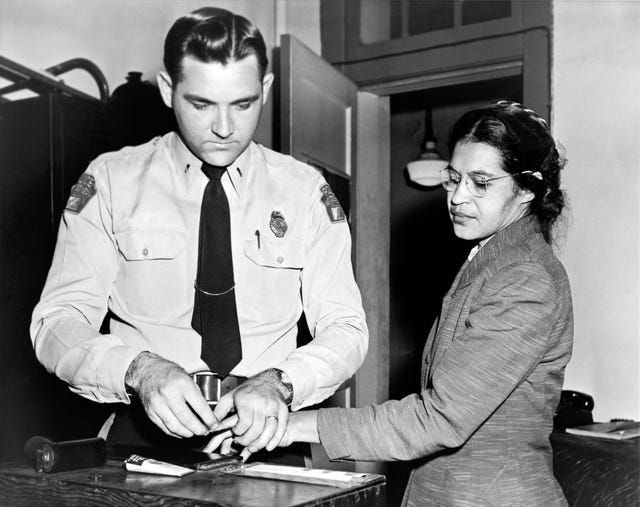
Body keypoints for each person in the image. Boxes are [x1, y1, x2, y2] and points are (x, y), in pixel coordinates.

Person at [30, 7, 367, 453]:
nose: (224, 128)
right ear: (169, 89)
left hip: (265, 439)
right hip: (140, 443)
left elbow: (346, 328)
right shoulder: (112, 181)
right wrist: (139, 369)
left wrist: (282, 382)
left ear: (265, 89)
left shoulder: (304, 191)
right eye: (202, 104)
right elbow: (56, 323)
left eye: (243, 104)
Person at [211, 101, 573, 504]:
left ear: (526, 188)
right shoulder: (493, 259)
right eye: (454, 178)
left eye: (481, 182)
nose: (457, 197)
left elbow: (439, 419)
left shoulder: (525, 278)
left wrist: (288, 424)